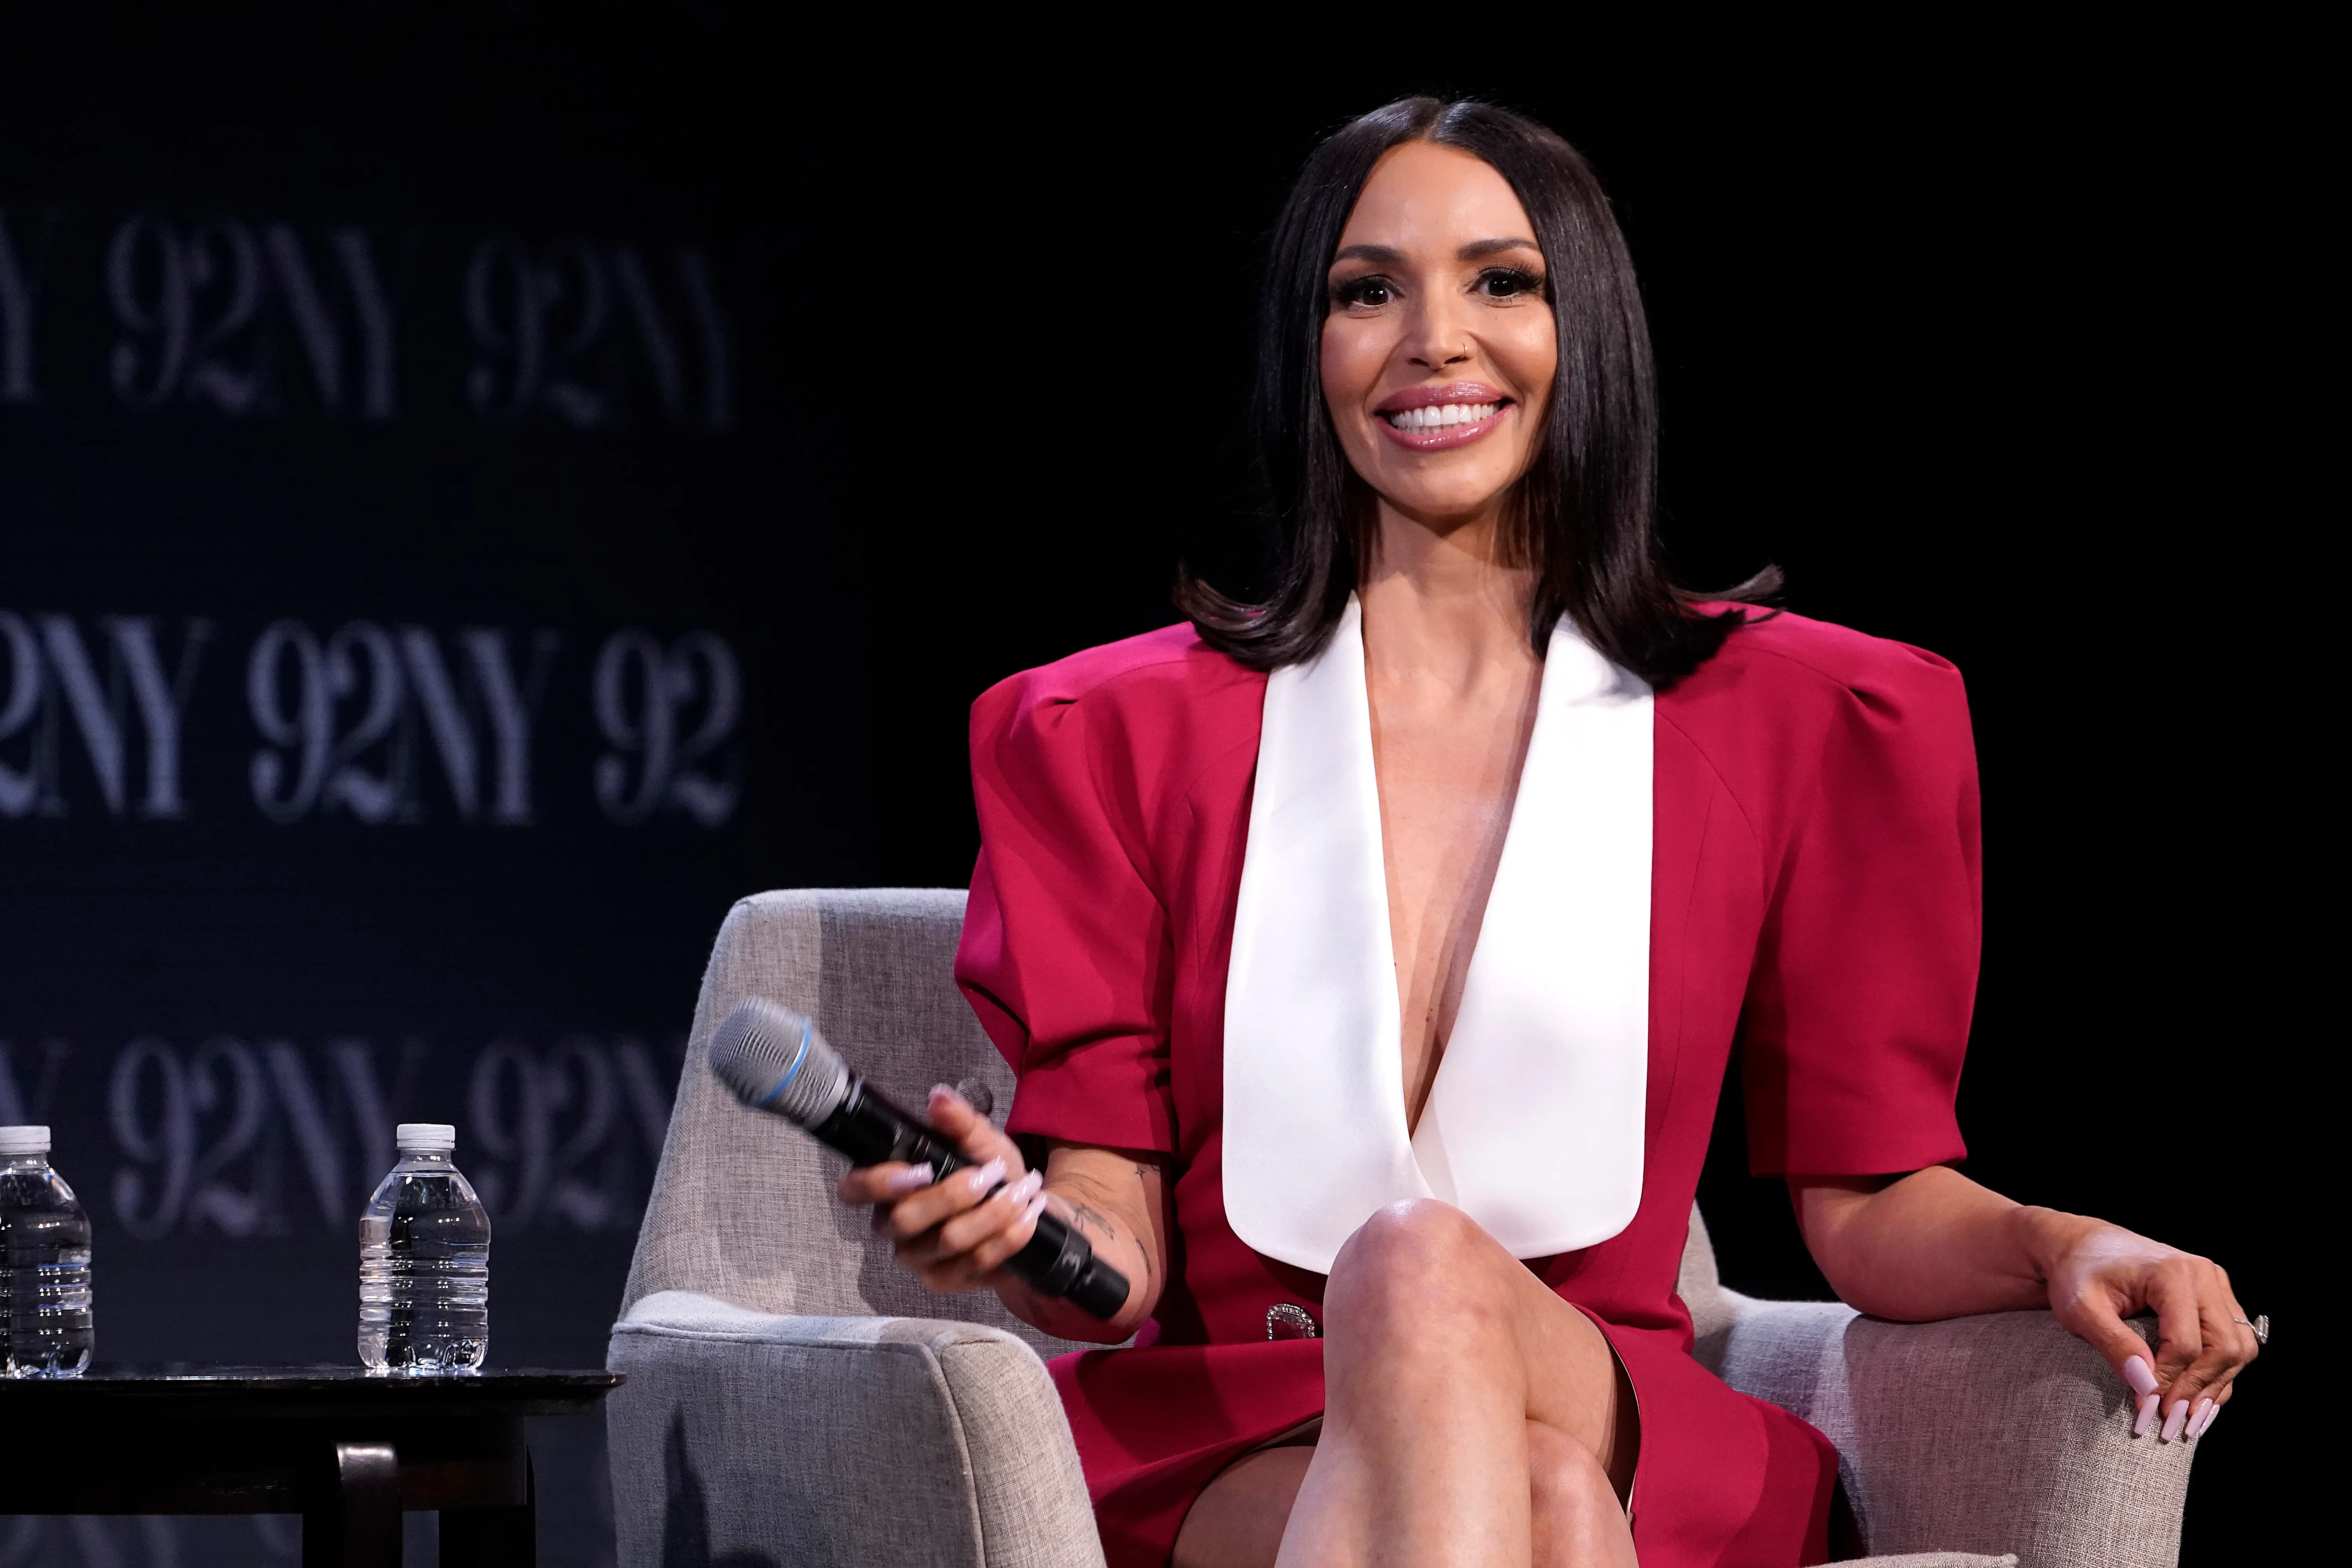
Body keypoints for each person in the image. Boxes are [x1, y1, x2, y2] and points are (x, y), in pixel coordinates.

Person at [833, 96, 2259, 1568]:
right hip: (1238, 1420)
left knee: (1427, 1275)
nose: (1433, 338)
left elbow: (1874, 1200)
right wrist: (1023, 1245)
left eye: (1501, 282)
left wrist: (2059, 1242)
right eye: (1366, 290)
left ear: (1589, 333)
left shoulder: (1809, 714)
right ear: (1303, 351)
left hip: (1597, 1379)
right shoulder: (1106, 736)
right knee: (1540, 1503)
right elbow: (1110, 1260)